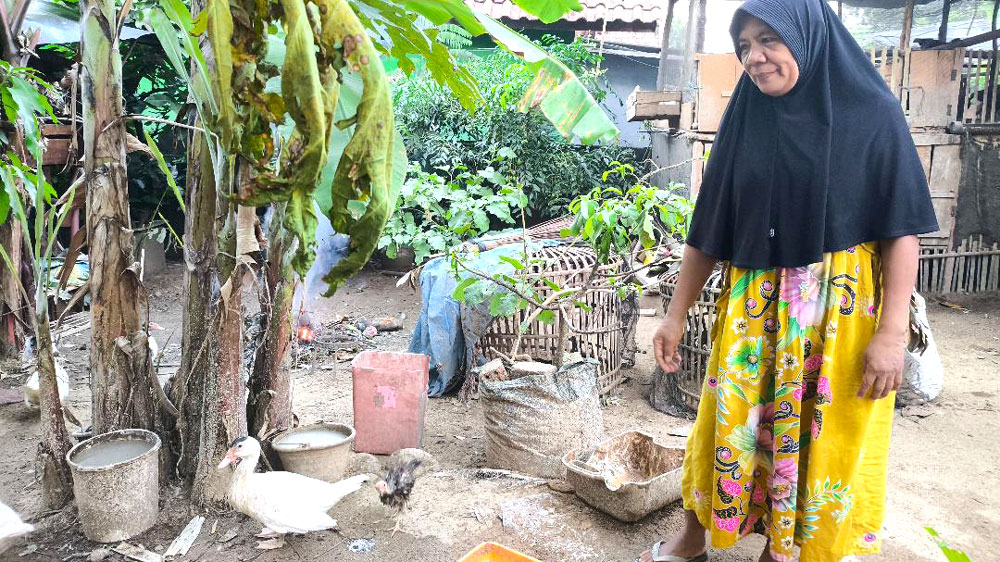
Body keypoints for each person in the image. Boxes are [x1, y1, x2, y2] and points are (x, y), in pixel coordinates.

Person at [640, 1, 939, 561]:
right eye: (744, 46)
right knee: (726, 423)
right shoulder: (746, 116)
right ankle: (694, 535)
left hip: (836, 315)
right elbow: (710, 226)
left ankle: (780, 551)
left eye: (768, 40)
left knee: (818, 438)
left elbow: (902, 229)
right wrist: (675, 315)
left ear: (805, 36)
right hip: (753, 309)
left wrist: (892, 332)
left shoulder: (872, 114)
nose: (754, 57)